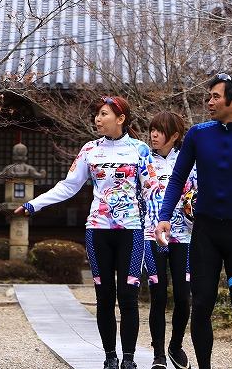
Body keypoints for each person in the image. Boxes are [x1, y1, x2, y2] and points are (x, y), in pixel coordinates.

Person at [15, 96, 161, 369]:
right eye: (96, 114)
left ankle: (129, 359)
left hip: (131, 230)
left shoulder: (140, 150)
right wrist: (34, 204)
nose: (97, 118)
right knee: (104, 296)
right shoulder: (90, 150)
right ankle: (109, 358)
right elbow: (69, 185)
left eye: (103, 114)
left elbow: (153, 189)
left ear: (120, 119)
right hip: (97, 230)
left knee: (128, 296)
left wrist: (163, 223)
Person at [154, 73, 232, 369]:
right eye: (208, 96)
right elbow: (177, 179)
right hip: (205, 233)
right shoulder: (198, 134)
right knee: (202, 307)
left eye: (215, 97)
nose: (209, 102)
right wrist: (164, 217)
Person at [143, 112, 197, 369]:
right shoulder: (142, 161)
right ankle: (158, 356)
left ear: (174, 136)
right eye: (152, 130)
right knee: (158, 296)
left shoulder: (190, 163)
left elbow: (197, 197)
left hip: (184, 237)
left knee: (183, 296)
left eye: (160, 130)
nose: (153, 135)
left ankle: (175, 345)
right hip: (151, 236)